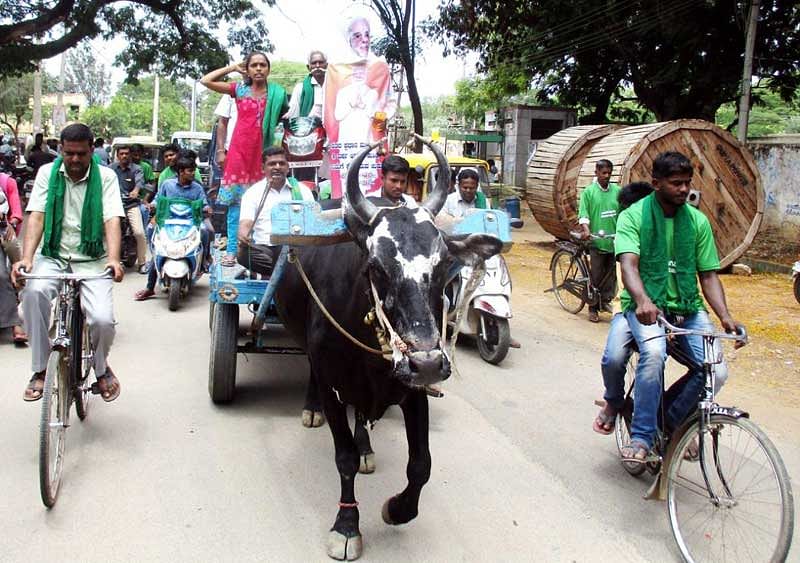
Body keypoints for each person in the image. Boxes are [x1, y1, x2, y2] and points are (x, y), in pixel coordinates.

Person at [597, 152, 741, 462]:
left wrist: (726, 316)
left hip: (688, 307)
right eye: (676, 183)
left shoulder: (698, 221)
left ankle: (670, 423)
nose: (683, 189)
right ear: (656, 183)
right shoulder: (633, 216)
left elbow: (708, 275)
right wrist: (644, 301)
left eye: (688, 183)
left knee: (716, 372)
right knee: (649, 355)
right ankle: (642, 434)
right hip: (647, 307)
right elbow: (629, 267)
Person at [11, 123, 124, 402]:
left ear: (92, 151)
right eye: (69, 153)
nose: (74, 160)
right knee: (33, 295)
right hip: (53, 256)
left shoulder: (107, 177)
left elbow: (111, 218)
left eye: (81, 154)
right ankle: (39, 369)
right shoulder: (47, 174)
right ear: (60, 149)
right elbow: (36, 216)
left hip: (93, 260)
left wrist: (113, 258)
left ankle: (101, 367)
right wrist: (26, 258)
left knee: (101, 319)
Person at [201, 51, 289, 266]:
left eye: (263, 65)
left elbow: (287, 121)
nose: (258, 69)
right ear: (247, 69)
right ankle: (233, 250)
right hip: (239, 153)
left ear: (268, 69)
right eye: (254, 65)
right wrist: (232, 68)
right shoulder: (239, 89)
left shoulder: (277, 94)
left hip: (263, 154)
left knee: (263, 199)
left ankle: (259, 247)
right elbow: (205, 81)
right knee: (235, 204)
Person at [134, 156, 211, 301]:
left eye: (193, 170)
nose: (193, 173)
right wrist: (153, 205)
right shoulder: (167, 185)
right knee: (155, 240)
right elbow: (158, 199)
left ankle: (205, 259)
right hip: (168, 221)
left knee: (206, 230)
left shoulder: (197, 188)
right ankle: (149, 287)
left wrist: (207, 208)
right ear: (181, 172)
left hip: (190, 222)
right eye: (190, 171)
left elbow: (204, 203)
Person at [237, 147, 314, 276]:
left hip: (298, 248)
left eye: (281, 163)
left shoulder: (302, 191)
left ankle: (284, 271)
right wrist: (244, 235)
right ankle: (289, 272)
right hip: (266, 249)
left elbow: (313, 221)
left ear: (288, 167)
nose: (277, 167)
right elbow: (246, 223)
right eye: (272, 164)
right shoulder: (252, 193)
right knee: (243, 255)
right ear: (263, 168)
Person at [578, 159, 621, 323]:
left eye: (609, 173)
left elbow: (624, 212)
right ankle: (593, 307)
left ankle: (606, 300)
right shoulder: (589, 192)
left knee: (611, 274)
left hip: (613, 241)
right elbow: (584, 214)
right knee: (596, 275)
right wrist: (587, 230)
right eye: (603, 173)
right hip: (596, 241)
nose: (607, 176)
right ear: (596, 172)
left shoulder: (617, 191)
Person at [109, 145, 148, 274]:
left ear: (130, 155)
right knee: (108, 232)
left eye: (126, 153)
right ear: (117, 155)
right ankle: (110, 261)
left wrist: (136, 191)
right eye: (121, 153)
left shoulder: (137, 169)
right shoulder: (111, 169)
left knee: (139, 233)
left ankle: (142, 263)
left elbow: (139, 183)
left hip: (131, 204)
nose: (124, 156)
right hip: (115, 205)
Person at [0, 168, 26, 344]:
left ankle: (14, 323)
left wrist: (11, 222)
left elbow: (16, 211)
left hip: (3, 231)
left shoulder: (6, 182)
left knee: (2, 275)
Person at [286, 50, 328, 120]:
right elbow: (294, 115)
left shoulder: (334, 87)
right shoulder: (300, 88)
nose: (317, 66)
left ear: (326, 66)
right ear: (308, 67)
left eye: (321, 62)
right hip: (307, 128)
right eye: (314, 63)